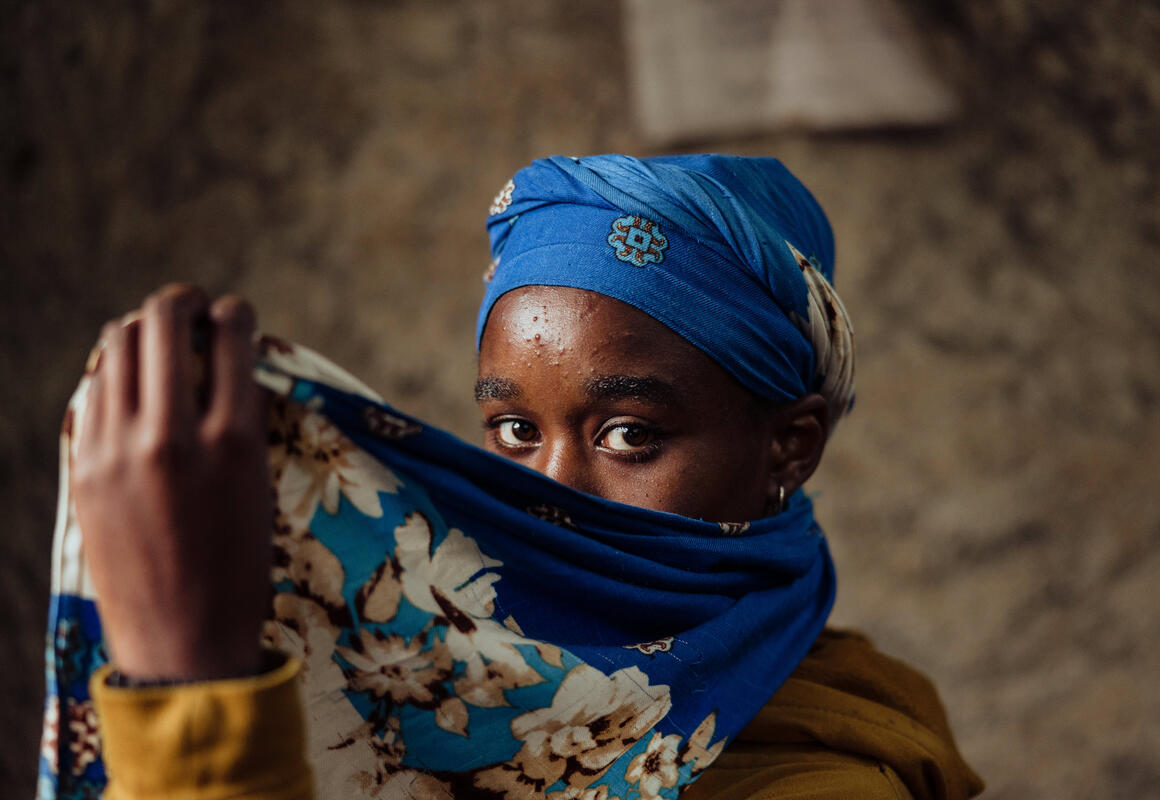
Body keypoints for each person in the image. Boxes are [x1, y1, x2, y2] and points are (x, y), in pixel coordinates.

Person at [52, 155, 983, 799]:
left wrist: (191, 699)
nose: (555, 492)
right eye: (513, 430)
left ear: (790, 446)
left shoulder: (827, 773)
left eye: (628, 434)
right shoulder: (446, 682)